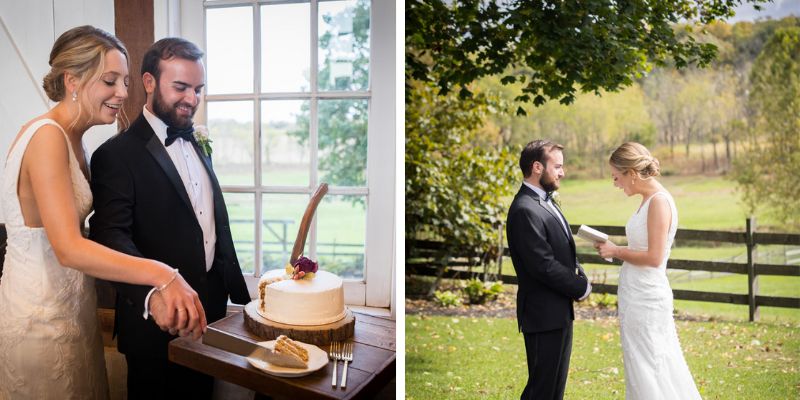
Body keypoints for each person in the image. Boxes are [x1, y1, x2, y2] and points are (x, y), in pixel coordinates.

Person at [0, 26, 204, 400]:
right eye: (110, 81)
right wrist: (162, 274)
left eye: (125, 81)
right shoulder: (47, 137)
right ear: (72, 80)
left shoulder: (75, 139)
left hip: (72, 310)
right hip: (38, 317)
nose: (123, 94)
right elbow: (70, 249)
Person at [88, 37, 250, 399]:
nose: (191, 99)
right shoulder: (115, 156)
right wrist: (154, 295)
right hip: (154, 325)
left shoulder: (195, 138)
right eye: (180, 87)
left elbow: (204, 220)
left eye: (198, 89)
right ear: (148, 82)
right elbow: (111, 237)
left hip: (211, 313)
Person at [594, 142, 701, 399]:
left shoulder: (659, 202)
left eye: (616, 177)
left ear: (631, 173)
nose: (616, 183)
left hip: (647, 297)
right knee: (639, 364)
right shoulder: (647, 200)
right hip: (635, 294)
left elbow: (654, 257)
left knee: (651, 364)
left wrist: (615, 251)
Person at [506, 140, 592, 400]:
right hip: (542, 315)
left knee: (554, 390)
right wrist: (580, 287)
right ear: (537, 167)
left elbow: (561, 250)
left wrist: (580, 274)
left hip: (558, 312)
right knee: (541, 391)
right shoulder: (524, 209)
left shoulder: (543, 201)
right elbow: (542, 264)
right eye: (557, 166)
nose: (562, 172)